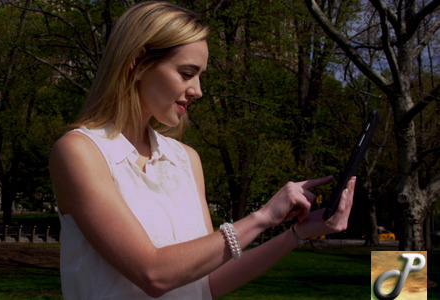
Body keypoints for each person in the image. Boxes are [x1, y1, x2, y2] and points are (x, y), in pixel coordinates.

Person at [49, 2, 355, 299]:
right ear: (138, 62)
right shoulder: (80, 152)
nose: (198, 90)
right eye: (186, 73)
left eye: (200, 75)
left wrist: (297, 234)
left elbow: (208, 282)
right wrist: (262, 217)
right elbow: (153, 274)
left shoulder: (186, 159)